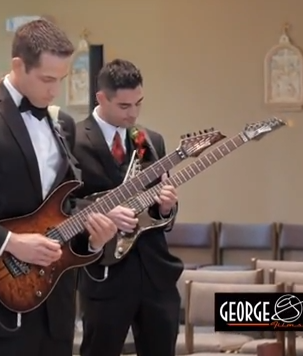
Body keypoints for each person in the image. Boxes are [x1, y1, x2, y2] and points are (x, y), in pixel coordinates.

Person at [0, 19, 121, 356]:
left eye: (61, 79)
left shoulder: (62, 125)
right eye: (46, 79)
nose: (54, 90)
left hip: (56, 310)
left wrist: (92, 238)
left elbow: (61, 211)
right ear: (18, 65)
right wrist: (10, 243)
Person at [73, 59, 184, 356]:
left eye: (138, 103)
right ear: (101, 98)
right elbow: (64, 206)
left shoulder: (149, 140)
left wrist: (166, 207)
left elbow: (163, 214)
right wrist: (101, 213)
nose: (133, 113)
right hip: (105, 274)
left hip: (156, 274)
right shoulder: (73, 139)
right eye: (124, 106)